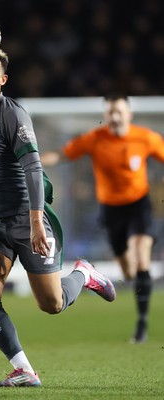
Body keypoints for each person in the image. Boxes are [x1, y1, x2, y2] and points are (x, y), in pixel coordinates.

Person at [0, 49, 116, 388]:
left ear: (3, 79)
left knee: (52, 303)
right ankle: (24, 370)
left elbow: (33, 167)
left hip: (26, 217)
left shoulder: (13, 114)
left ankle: (83, 273)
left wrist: (34, 221)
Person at [41, 94, 164, 344]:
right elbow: (62, 154)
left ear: (129, 114)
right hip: (111, 209)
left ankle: (141, 325)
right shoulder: (95, 139)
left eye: (119, 111)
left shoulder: (146, 138)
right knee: (128, 271)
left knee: (142, 259)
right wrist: (31, 161)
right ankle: (132, 280)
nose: (115, 116)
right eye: (110, 112)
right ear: (106, 116)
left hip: (139, 205)